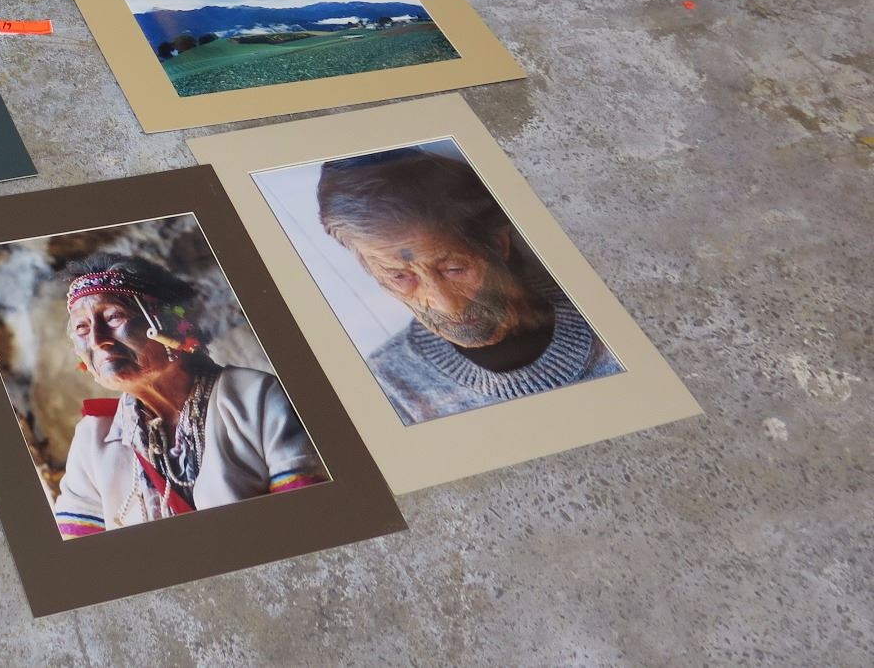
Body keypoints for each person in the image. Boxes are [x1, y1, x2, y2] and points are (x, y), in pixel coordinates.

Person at [316, 148, 622, 425]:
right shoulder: (390, 389)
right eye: (399, 277)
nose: (445, 304)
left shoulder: (609, 306)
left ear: (499, 244)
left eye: (455, 269)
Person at [52, 254, 326, 537]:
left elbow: (310, 520)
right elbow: (80, 550)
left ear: (171, 322)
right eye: (82, 328)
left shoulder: (256, 397)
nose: (97, 340)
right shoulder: (92, 439)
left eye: (113, 317)